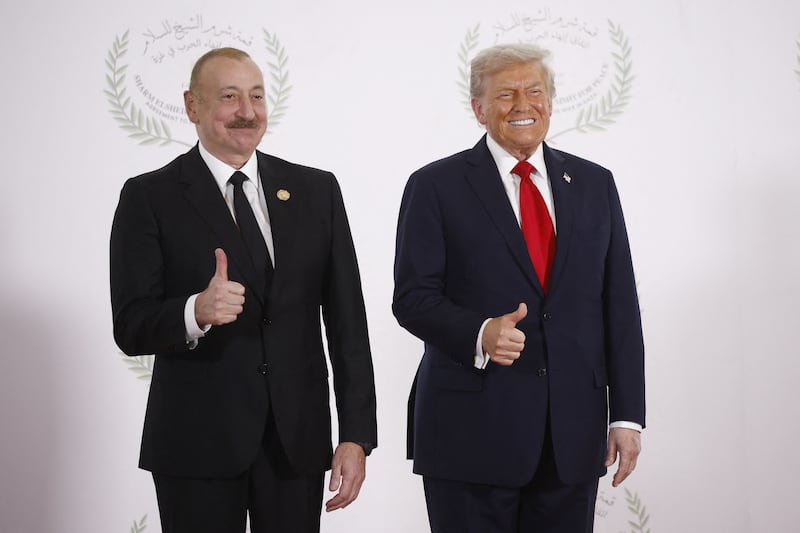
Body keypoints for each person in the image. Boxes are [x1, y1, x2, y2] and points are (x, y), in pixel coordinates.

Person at [110, 47, 377, 533]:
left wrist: (356, 436)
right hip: (196, 444)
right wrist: (195, 311)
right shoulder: (149, 196)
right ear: (192, 106)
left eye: (256, 96)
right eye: (229, 97)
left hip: (295, 445)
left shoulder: (317, 191)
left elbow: (348, 325)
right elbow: (130, 325)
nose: (248, 112)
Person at [392, 43, 645, 533]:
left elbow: (620, 307)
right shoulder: (435, 186)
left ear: (550, 101)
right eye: (506, 94)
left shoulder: (595, 184)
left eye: (535, 91)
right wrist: (480, 332)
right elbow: (411, 299)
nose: (523, 105)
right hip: (470, 436)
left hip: (571, 435)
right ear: (479, 109)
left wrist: (627, 416)